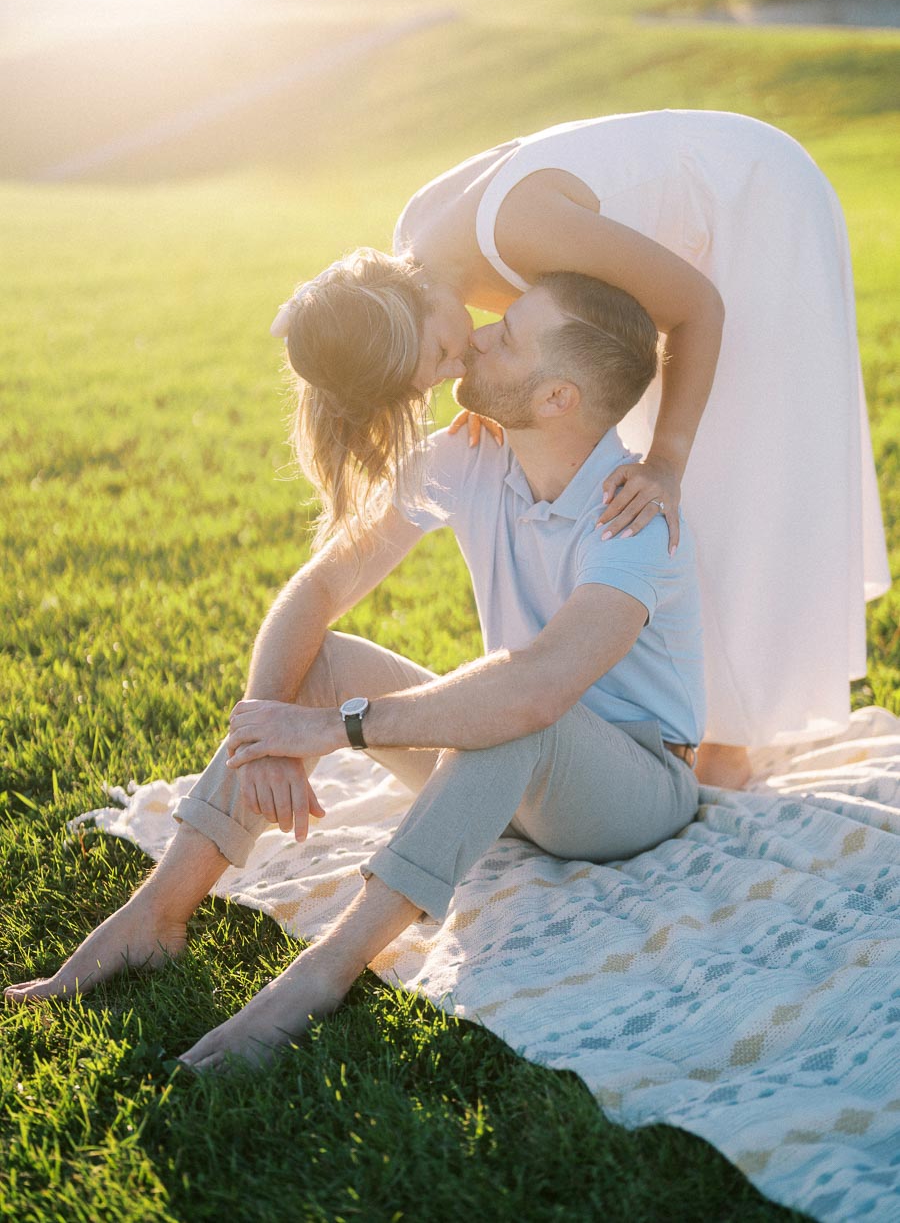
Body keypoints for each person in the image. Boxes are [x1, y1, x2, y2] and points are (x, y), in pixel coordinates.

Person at [5, 273, 703, 1072]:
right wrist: (265, 731)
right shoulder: (474, 455)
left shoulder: (635, 516)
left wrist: (334, 731)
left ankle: (318, 979)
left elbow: (539, 688)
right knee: (324, 659)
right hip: (511, 765)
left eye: (506, 337)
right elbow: (321, 587)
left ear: (556, 399)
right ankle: (156, 916)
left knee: (511, 711)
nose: (476, 337)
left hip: (634, 792)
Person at [271, 111, 890, 789]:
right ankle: (675, 724)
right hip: (677, 256)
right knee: (641, 472)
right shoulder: (413, 261)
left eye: (446, 352)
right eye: (440, 373)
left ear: (408, 299)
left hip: (750, 206)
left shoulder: (520, 227)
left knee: (719, 476)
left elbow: (697, 309)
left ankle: (726, 746)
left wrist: (666, 463)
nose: (457, 367)